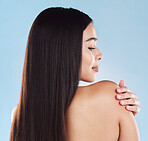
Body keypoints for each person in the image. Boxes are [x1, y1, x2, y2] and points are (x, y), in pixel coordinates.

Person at [9, 7, 140, 141]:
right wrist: (124, 114)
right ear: (63, 51)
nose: (99, 55)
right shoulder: (111, 95)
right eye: (91, 47)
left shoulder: (20, 116)